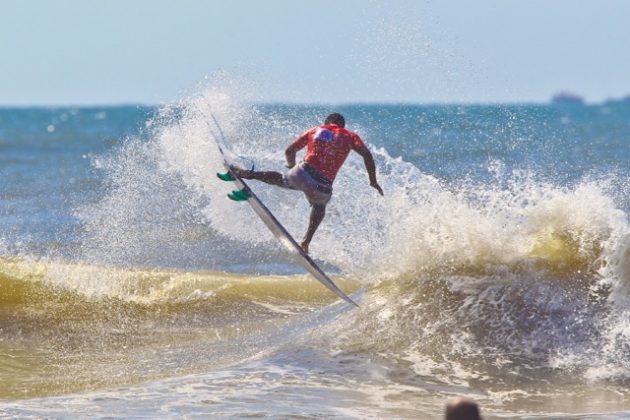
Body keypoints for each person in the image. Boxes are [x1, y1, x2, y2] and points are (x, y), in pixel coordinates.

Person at [230, 112, 383, 254]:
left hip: (302, 172)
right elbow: (367, 156)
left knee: (283, 179)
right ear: (342, 125)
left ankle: (245, 174)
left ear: (327, 122)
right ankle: (306, 242)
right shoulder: (350, 136)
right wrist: (373, 181)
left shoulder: (316, 130)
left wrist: (292, 168)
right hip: (322, 186)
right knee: (319, 206)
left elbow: (290, 151)